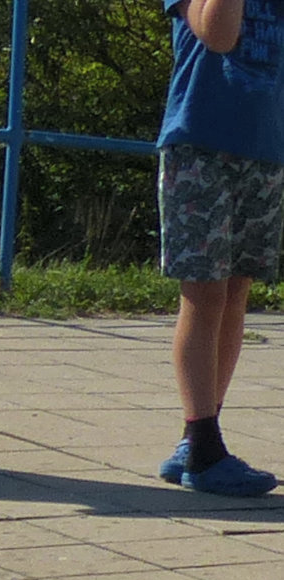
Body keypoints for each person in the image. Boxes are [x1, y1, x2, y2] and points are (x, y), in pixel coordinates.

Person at [155, 0, 284, 497]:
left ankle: (197, 434)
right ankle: (204, 449)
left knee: (234, 294)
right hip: (199, 147)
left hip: (264, 149)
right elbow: (219, 34)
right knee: (204, 295)